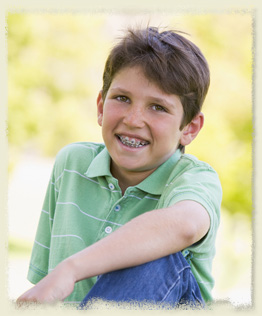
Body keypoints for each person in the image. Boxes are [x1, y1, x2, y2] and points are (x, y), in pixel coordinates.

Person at [17, 26, 222, 309]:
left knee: (156, 253)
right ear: (101, 106)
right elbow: (45, 290)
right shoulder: (73, 164)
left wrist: (71, 268)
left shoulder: (193, 178)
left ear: (189, 128)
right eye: (122, 98)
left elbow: (186, 225)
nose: (134, 119)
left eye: (158, 107)